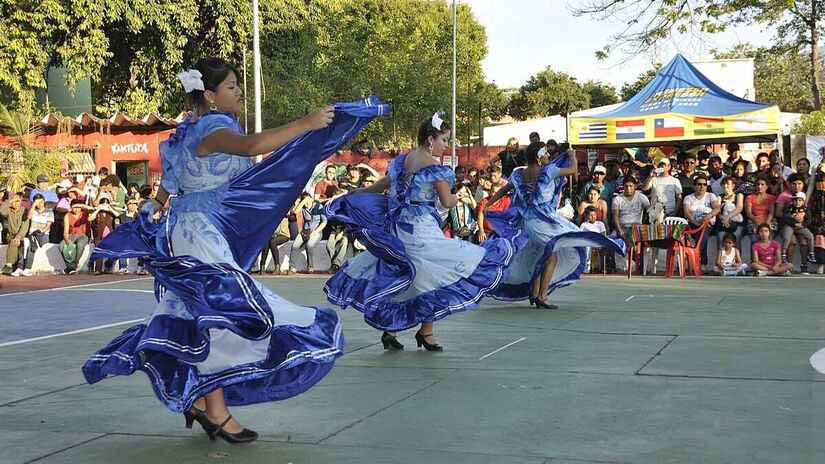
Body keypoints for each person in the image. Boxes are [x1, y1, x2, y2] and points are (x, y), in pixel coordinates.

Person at [82, 58, 384, 443]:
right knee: (230, 313)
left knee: (202, 318)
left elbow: (169, 186)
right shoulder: (213, 126)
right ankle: (217, 411)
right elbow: (253, 145)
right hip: (199, 236)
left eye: (238, 85)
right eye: (232, 87)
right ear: (210, 95)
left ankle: (205, 403)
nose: (239, 92)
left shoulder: (185, 130)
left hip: (193, 231)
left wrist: (152, 210)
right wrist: (306, 125)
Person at [325, 115, 519, 351]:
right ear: (430, 139)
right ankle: (425, 333)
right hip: (421, 231)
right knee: (434, 276)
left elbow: (384, 184)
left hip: (398, 229)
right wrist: (459, 196)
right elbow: (447, 202)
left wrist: (360, 192)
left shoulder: (401, 161)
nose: (446, 146)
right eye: (444, 140)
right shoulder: (434, 169)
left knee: (408, 275)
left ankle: (392, 329)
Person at [485, 141, 624, 308]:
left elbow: (503, 190)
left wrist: (488, 205)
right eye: (545, 153)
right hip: (543, 221)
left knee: (539, 256)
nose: (548, 156)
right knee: (552, 255)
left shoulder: (519, 173)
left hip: (527, 222)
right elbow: (573, 170)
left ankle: (535, 293)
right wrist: (572, 156)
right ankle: (542, 296)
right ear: (538, 157)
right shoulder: (548, 170)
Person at [682, 173, 720, 272]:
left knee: (703, 231)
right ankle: (701, 262)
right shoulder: (689, 198)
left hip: (708, 224)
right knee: (702, 232)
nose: (702, 186)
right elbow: (687, 213)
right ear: (694, 186)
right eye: (699, 184)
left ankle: (700, 261)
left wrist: (709, 216)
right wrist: (695, 222)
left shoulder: (710, 196)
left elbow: (717, 208)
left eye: (704, 184)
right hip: (693, 224)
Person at [12, 193, 54, 276]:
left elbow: (48, 226)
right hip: (32, 235)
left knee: (31, 246)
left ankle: (27, 268)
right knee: (23, 245)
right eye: (37, 202)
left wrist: (40, 231)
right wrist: (34, 204)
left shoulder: (49, 212)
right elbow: (29, 217)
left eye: (41, 202)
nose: (39, 204)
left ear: (44, 201)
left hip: (42, 235)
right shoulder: (33, 210)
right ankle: (20, 268)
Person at [779, 192, 816, 270]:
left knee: (810, 236)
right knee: (787, 237)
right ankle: (783, 254)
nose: (797, 202)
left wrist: (803, 225)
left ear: (803, 201)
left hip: (800, 226)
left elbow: (809, 219)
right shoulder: (789, 208)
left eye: (800, 200)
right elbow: (785, 218)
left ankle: (811, 253)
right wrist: (793, 222)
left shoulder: (805, 209)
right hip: (790, 226)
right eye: (795, 200)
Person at [61, 199, 96, 274]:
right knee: (61, 246)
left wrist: (81, 205)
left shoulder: (85, 212)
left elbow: (92, 209)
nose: (76, 210)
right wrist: (67, 240)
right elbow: (65, 231)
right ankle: (70, 267)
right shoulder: (67, 215)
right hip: (71, 235)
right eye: (74, 207)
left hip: (83, 235)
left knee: (80, 245)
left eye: (78, 207)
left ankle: (74, 265)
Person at [0, 194, 30, 275]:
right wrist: (8, 202)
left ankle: (9, 265)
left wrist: (19, 237)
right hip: (11, 235)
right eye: (14, 202)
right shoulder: (9, 210)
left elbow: (25, 227)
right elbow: (2, 211)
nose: (15, 203)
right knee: (12, 241)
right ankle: (11, 266)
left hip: (22, 235)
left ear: (21, 201)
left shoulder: (25, 211)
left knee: (14, 242)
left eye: (18, 201)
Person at [579, 206, 607, 273]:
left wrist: (599, 244)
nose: (593, 217)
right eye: (590, 215)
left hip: (598, 242)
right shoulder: (584, 225)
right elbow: (580, 236)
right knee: (588, 247)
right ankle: (586, 268)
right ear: (587, 216)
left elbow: (603, 235)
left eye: (594, 215)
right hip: (587, 243)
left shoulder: (600, 224)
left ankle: (603, 267)